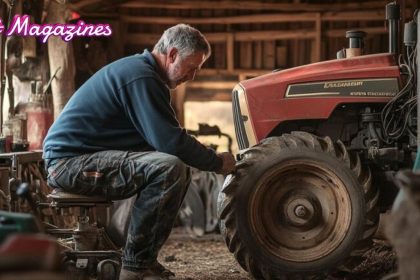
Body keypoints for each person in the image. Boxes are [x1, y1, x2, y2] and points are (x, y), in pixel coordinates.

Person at [43, 24, 236, 280]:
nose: (192, 76)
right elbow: (171, 142)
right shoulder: (141, 77)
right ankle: (135, 268)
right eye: (193, 67)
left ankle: (143, 259)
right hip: (69, 163)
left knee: (177, 167)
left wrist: (206, 156)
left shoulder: (145, 75)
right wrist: (216, 161)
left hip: (80, 159)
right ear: (173, 55)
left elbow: (166, 138)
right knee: (169, 167)